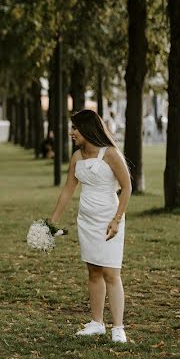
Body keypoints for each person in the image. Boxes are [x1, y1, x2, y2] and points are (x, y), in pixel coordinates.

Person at [49, 109, 132, 343]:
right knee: (94, 271)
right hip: (86, 219)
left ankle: (118, 327)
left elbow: (127, 188)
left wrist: (116, 220)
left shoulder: (111, 154)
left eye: (75, 128)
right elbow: (68, 190)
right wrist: (53, 220)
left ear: (87, 129)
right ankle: (97, 322)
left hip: (109, 219)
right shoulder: (77, 157)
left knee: (111, 272)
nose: (71, 132)